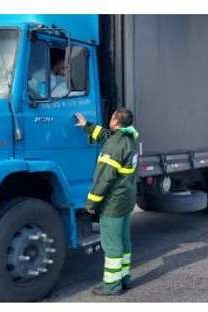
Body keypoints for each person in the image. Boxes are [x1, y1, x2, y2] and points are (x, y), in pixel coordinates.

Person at [75, 109, 139, 296]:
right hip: (126, 199)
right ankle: (124, 278)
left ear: (117, 121)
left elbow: (103, 179)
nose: (109, 119)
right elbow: (106, 135)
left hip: (113, 202)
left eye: (112, 117)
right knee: (124, 241)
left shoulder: (114, 147)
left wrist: (90, 203)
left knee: (111, 245)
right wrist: (87, 126)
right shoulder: (129, 139)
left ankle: (112, 286)